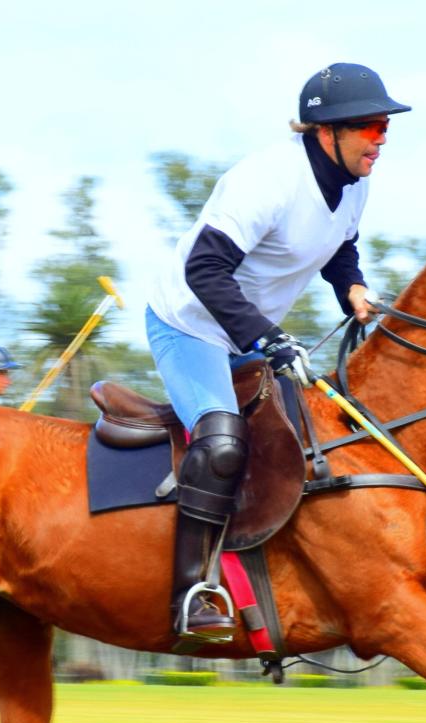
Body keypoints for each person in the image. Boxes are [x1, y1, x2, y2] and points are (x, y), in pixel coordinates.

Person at [143, 62, 409, 643]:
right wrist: (267, 337)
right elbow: (203, 270)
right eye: (369, 126)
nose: (381, 138)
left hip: (245, 332)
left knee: (309, 442)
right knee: (219, 444)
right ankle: (192, 593)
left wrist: (353, 287)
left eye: (385, 126)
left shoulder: (355, 182)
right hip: (187, 323)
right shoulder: (266, 180)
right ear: (325, 130)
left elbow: (342, 244)